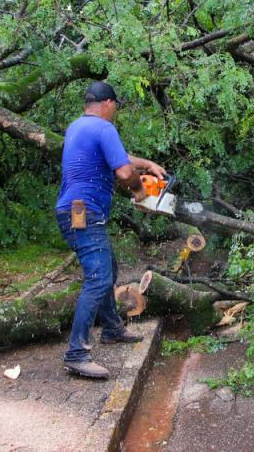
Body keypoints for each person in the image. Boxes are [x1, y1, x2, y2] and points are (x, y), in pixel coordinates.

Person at [55, 80, 166, 379]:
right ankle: (76, 353)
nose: (115, 111)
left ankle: (112, 328)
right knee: (98, 276)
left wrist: (149, 165)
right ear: (108, 104)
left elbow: (125, 159)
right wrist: (140, 191)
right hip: (84, 211)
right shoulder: (105, 128)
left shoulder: (78, 127)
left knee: (108, 267)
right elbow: (123, 171)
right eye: (115, 106)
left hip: (75, 209)